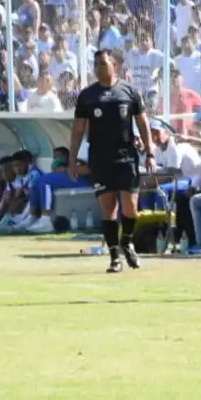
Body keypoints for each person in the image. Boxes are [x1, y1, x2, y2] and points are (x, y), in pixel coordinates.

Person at [70, 50, 154, 273]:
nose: (98, 68)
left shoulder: (129, 91)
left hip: (126, 156)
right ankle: (115, 258)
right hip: (100, 158)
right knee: (109, 208)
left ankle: (127, 241)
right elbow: (77, 130)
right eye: (96, 64)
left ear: (114, 65)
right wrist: (72, 160)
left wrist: (150, 152)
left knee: (131, 207)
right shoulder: (87, 96)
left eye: (103, 63)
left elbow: (143, 123)